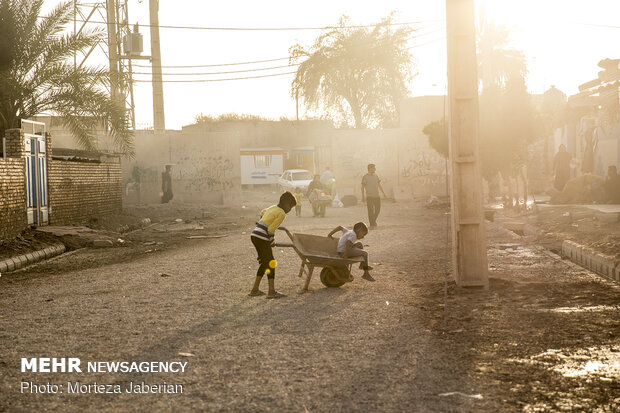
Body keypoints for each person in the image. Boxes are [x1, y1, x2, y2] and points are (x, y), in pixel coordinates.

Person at [249, 191, 297, 299]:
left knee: (264, 263)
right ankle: (271, 292)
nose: (290, 210)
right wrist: (271, 241)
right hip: (262, 237)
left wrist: (262, 222)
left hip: (255, 235)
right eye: (291, 207)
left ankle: (254, 289)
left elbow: (262, 212)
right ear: (286, 204)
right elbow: (270, 230)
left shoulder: (273, 207)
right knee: (271, 263)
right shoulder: (281, 213)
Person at [361, 164, 387, 229]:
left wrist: (383, 193)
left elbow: (379, 185)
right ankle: (372, 223)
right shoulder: (365, 177)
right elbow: (362, 187)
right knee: (370, 211)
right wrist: (363, 196)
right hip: (369, 196)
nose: (375, 169)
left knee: (378, 210)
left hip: (377, 196)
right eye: (374, 168)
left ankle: (373, 221)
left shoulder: (376, 176)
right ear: (370, 168)